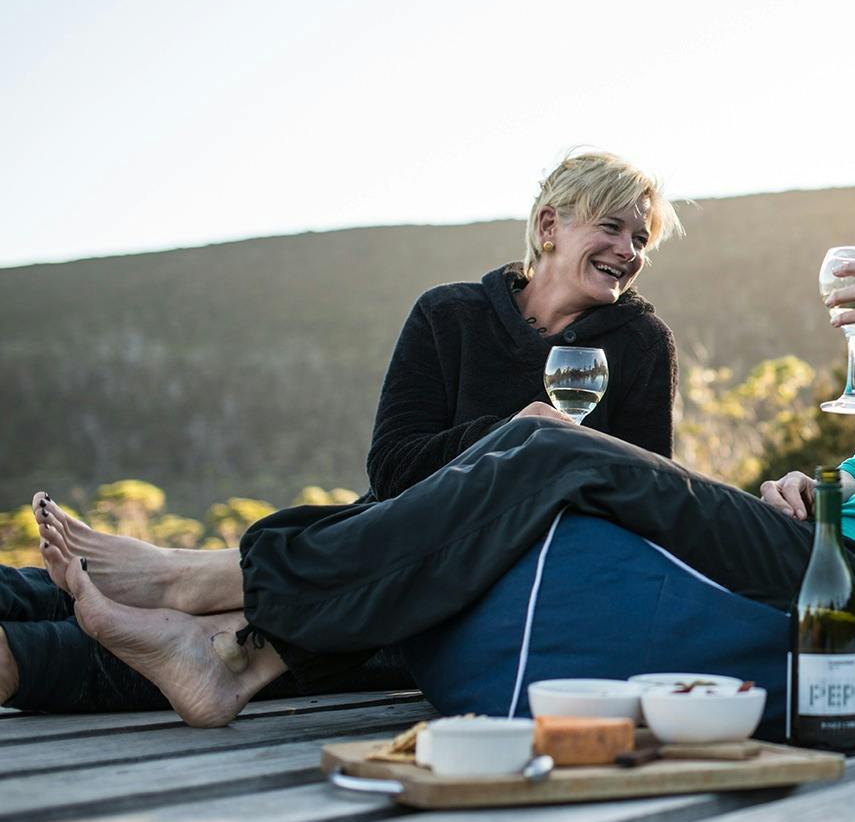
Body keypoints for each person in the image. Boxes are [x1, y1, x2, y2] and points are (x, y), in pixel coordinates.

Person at [35, 143, 855, 727]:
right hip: (831, 549)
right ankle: (241, 650)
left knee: (548, 449)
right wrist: (796, 487)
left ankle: (205, 592)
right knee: (541, 464)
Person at [3, 151, 682, 713]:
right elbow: (394, 468)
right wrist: (510, 432)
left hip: (491, 588)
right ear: (548, 225)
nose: (628, 251)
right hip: (376, 550)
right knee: (58, 593)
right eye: (613, 228)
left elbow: (646, 504)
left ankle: (188, 580)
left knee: (109, 637)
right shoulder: (451, 316)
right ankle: (195, 607)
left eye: (641, 240)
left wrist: (537, 450)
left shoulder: (640, 344)